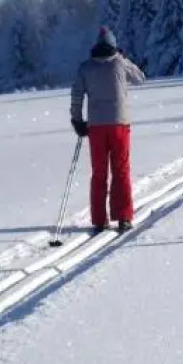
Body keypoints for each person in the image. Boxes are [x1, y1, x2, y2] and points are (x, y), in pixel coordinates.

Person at [70, 26, 146, 233]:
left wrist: (77, 120)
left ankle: (99, 219)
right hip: (119, 124)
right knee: (121, 170)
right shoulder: (120, 64)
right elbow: (140, 78)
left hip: (96, 127)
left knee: (99, 172)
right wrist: (124, 58)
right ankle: (123, 217)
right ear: (114, 45)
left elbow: (76, 95)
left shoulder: (85, 68)